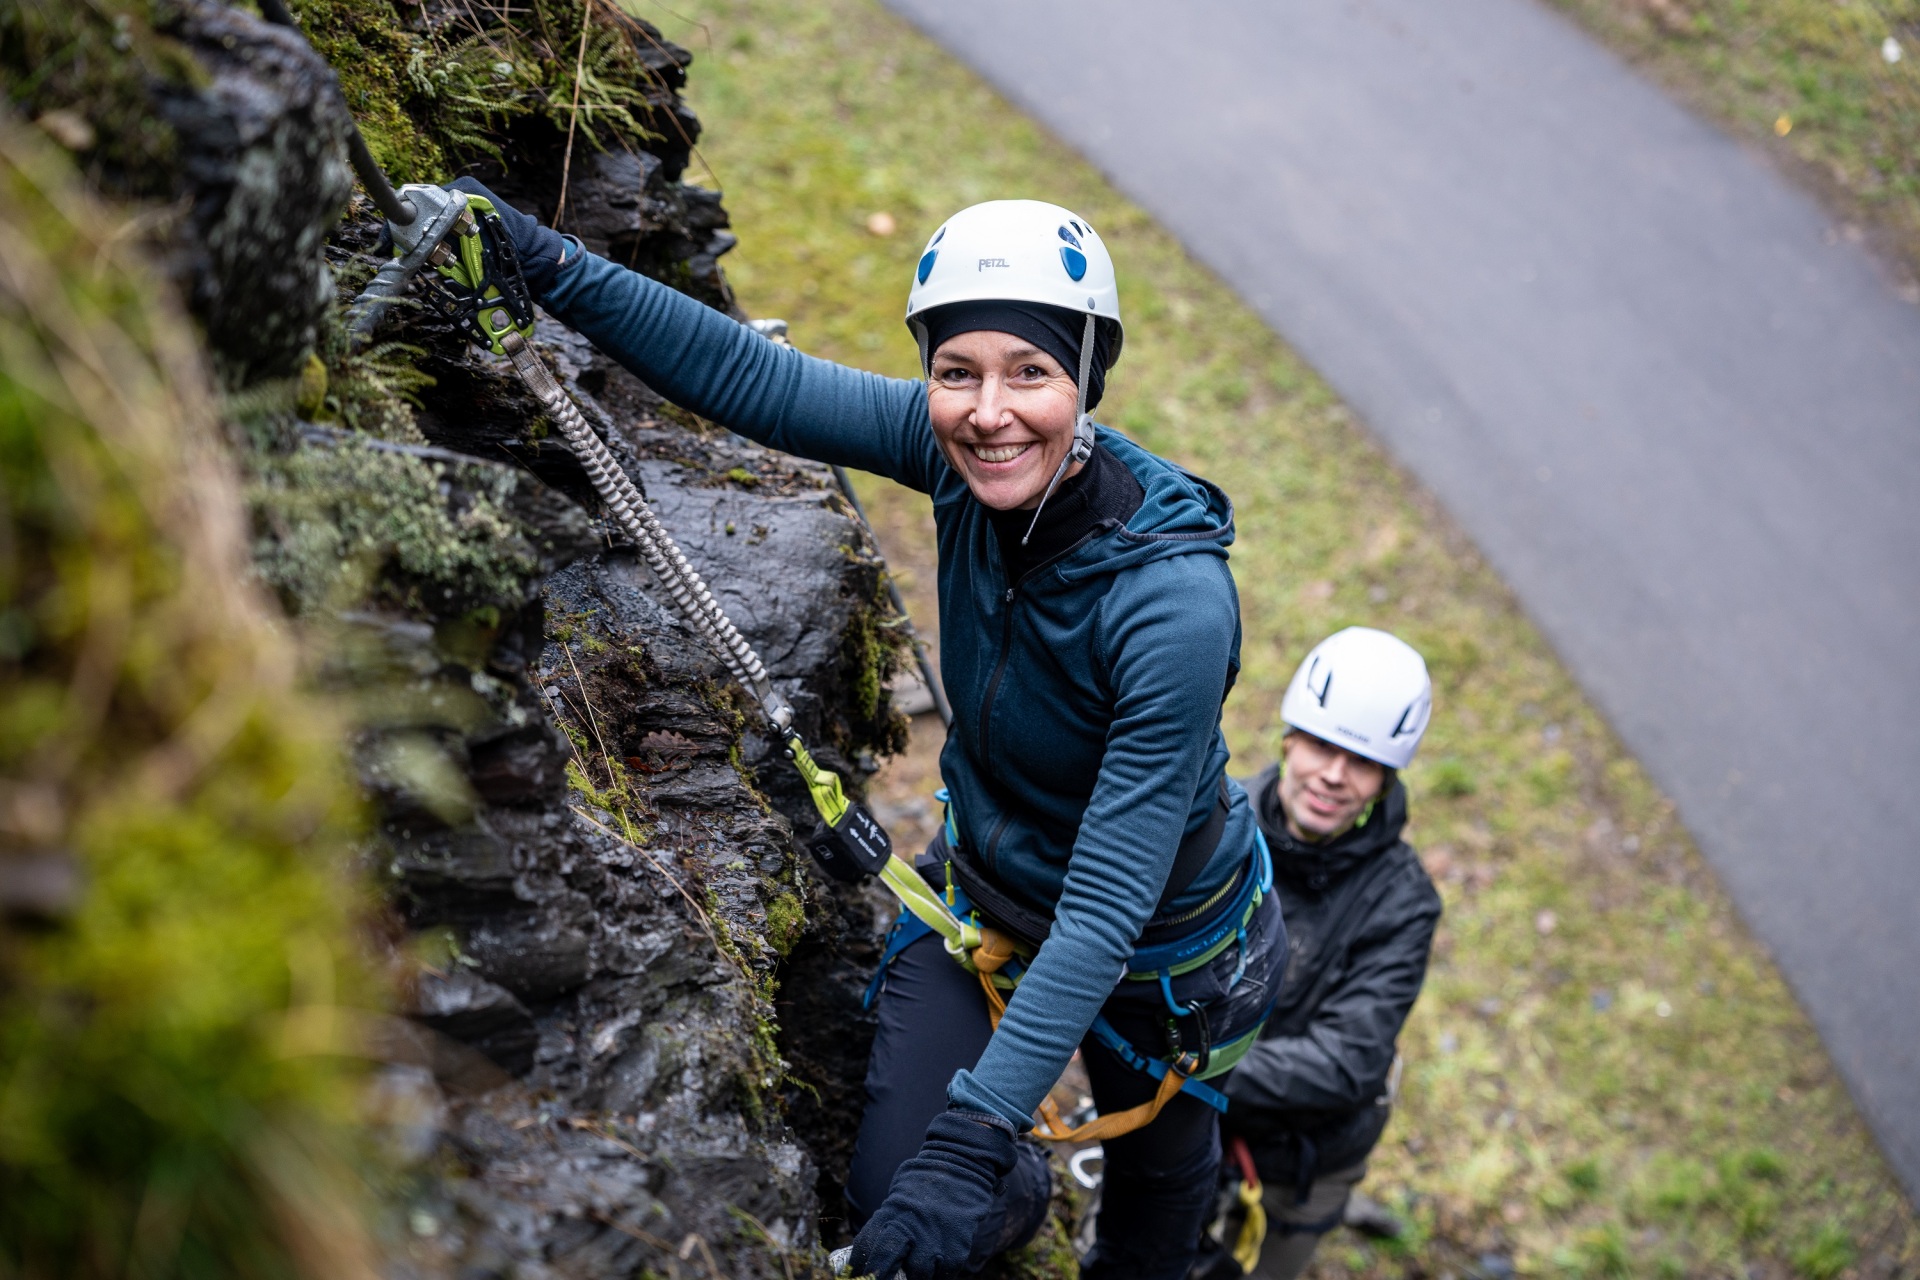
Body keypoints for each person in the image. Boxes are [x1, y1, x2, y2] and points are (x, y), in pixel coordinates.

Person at [451, 184, 1290, 1280]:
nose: (989, 412)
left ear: (1087, 378)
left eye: (1030, 372)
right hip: (987, 894)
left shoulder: (1172, 607)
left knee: (1152, 1228)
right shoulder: (956, 459)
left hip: (1165, 952)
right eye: (956, 372)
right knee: (898, 1197)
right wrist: (552, 264)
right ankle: (1020, 1195)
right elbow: (760, 380)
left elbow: (1103, 909)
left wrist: (973, 1135)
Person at [1192, 627, 1443, 1280]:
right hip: (1182, 1116)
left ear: (1384, 781)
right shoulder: (1212, 825)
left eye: (1362, 762)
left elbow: (1348, 1061)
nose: (1335, 775)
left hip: (1302, 1157)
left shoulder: (1401, 900)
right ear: (1290, 740)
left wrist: (1183, 1066)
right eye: (1323, 746)